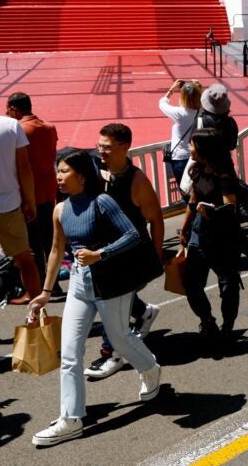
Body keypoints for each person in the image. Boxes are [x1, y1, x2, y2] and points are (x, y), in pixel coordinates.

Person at [27, 151, 161, 447]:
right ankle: (71, 419)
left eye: (64, 171)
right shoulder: (60, 209)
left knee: (121, 339)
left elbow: (133, 235)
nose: (58, 177)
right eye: (57, 171)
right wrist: (46, 292)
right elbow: (55, 250)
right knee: (70, 353)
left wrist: (100, 254)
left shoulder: (102, 202)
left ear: (82, 176)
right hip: (79, 284)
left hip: (110, 283)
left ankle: (150, 368)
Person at [84, 123, 164, 381]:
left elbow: (156, 219)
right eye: (99, 146)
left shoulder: (137, 181)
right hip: (101, 253)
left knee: (110, 305)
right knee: (109, 300)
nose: (101, 152)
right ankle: (144, 312)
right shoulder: (94, 170)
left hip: (129, 255)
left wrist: (157, 254)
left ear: (125, 147)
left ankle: (111, 355)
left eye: (107, 148)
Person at [0, 80, 42, 344]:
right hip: (8, 206)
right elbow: (24, 168)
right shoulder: (11, 125)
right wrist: (30, 202)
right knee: (26, 260)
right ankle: (36, 317)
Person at [177, 130, 243, 347]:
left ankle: (227, 327)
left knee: (228, 285)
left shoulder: (224, 176)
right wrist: (185, 228)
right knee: (191, 283)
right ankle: (207, 321)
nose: (189, 148)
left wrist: (211, 213)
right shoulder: (197, 169)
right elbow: (193, 200)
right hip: (199, 233)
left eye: (192, 145)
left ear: (205, 148)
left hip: (222, 238)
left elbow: (230, 208)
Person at [5, 92, 58, 289]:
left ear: (13, 109)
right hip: (48, 190)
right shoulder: (49, 127)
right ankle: (53, 283)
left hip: (28, 193)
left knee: (32, 242)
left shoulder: (17, 130)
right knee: (49, 238)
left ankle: (41, 283)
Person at [159, 78, 201, 190]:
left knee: (185, 191)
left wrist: (172, 89)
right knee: (199, 190)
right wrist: (198, 89)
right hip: (198, 157)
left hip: (180, 157)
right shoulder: (202, 111)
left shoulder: (179, 113)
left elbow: (162, 103)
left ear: (183, 97)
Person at [200, 84, 239, 175]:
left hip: (205, 167)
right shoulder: (230, 122)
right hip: (226, 165)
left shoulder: (200, 121)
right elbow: (232, 145)